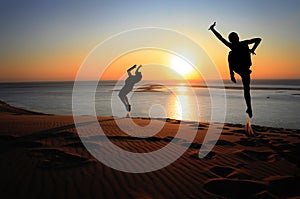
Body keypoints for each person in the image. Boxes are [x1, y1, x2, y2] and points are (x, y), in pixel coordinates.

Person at [209, 22, 261, 118]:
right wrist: (252, 49)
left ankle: (249, 108)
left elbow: (258, 39)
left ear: (235, 39)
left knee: (246, 90)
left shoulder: (237, 45)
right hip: (241, 69)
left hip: (243, 70)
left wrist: (252, 49)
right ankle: (249, 107)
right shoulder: (240, 44)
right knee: (230, 54)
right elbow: (221, 38)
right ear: (234, 39)